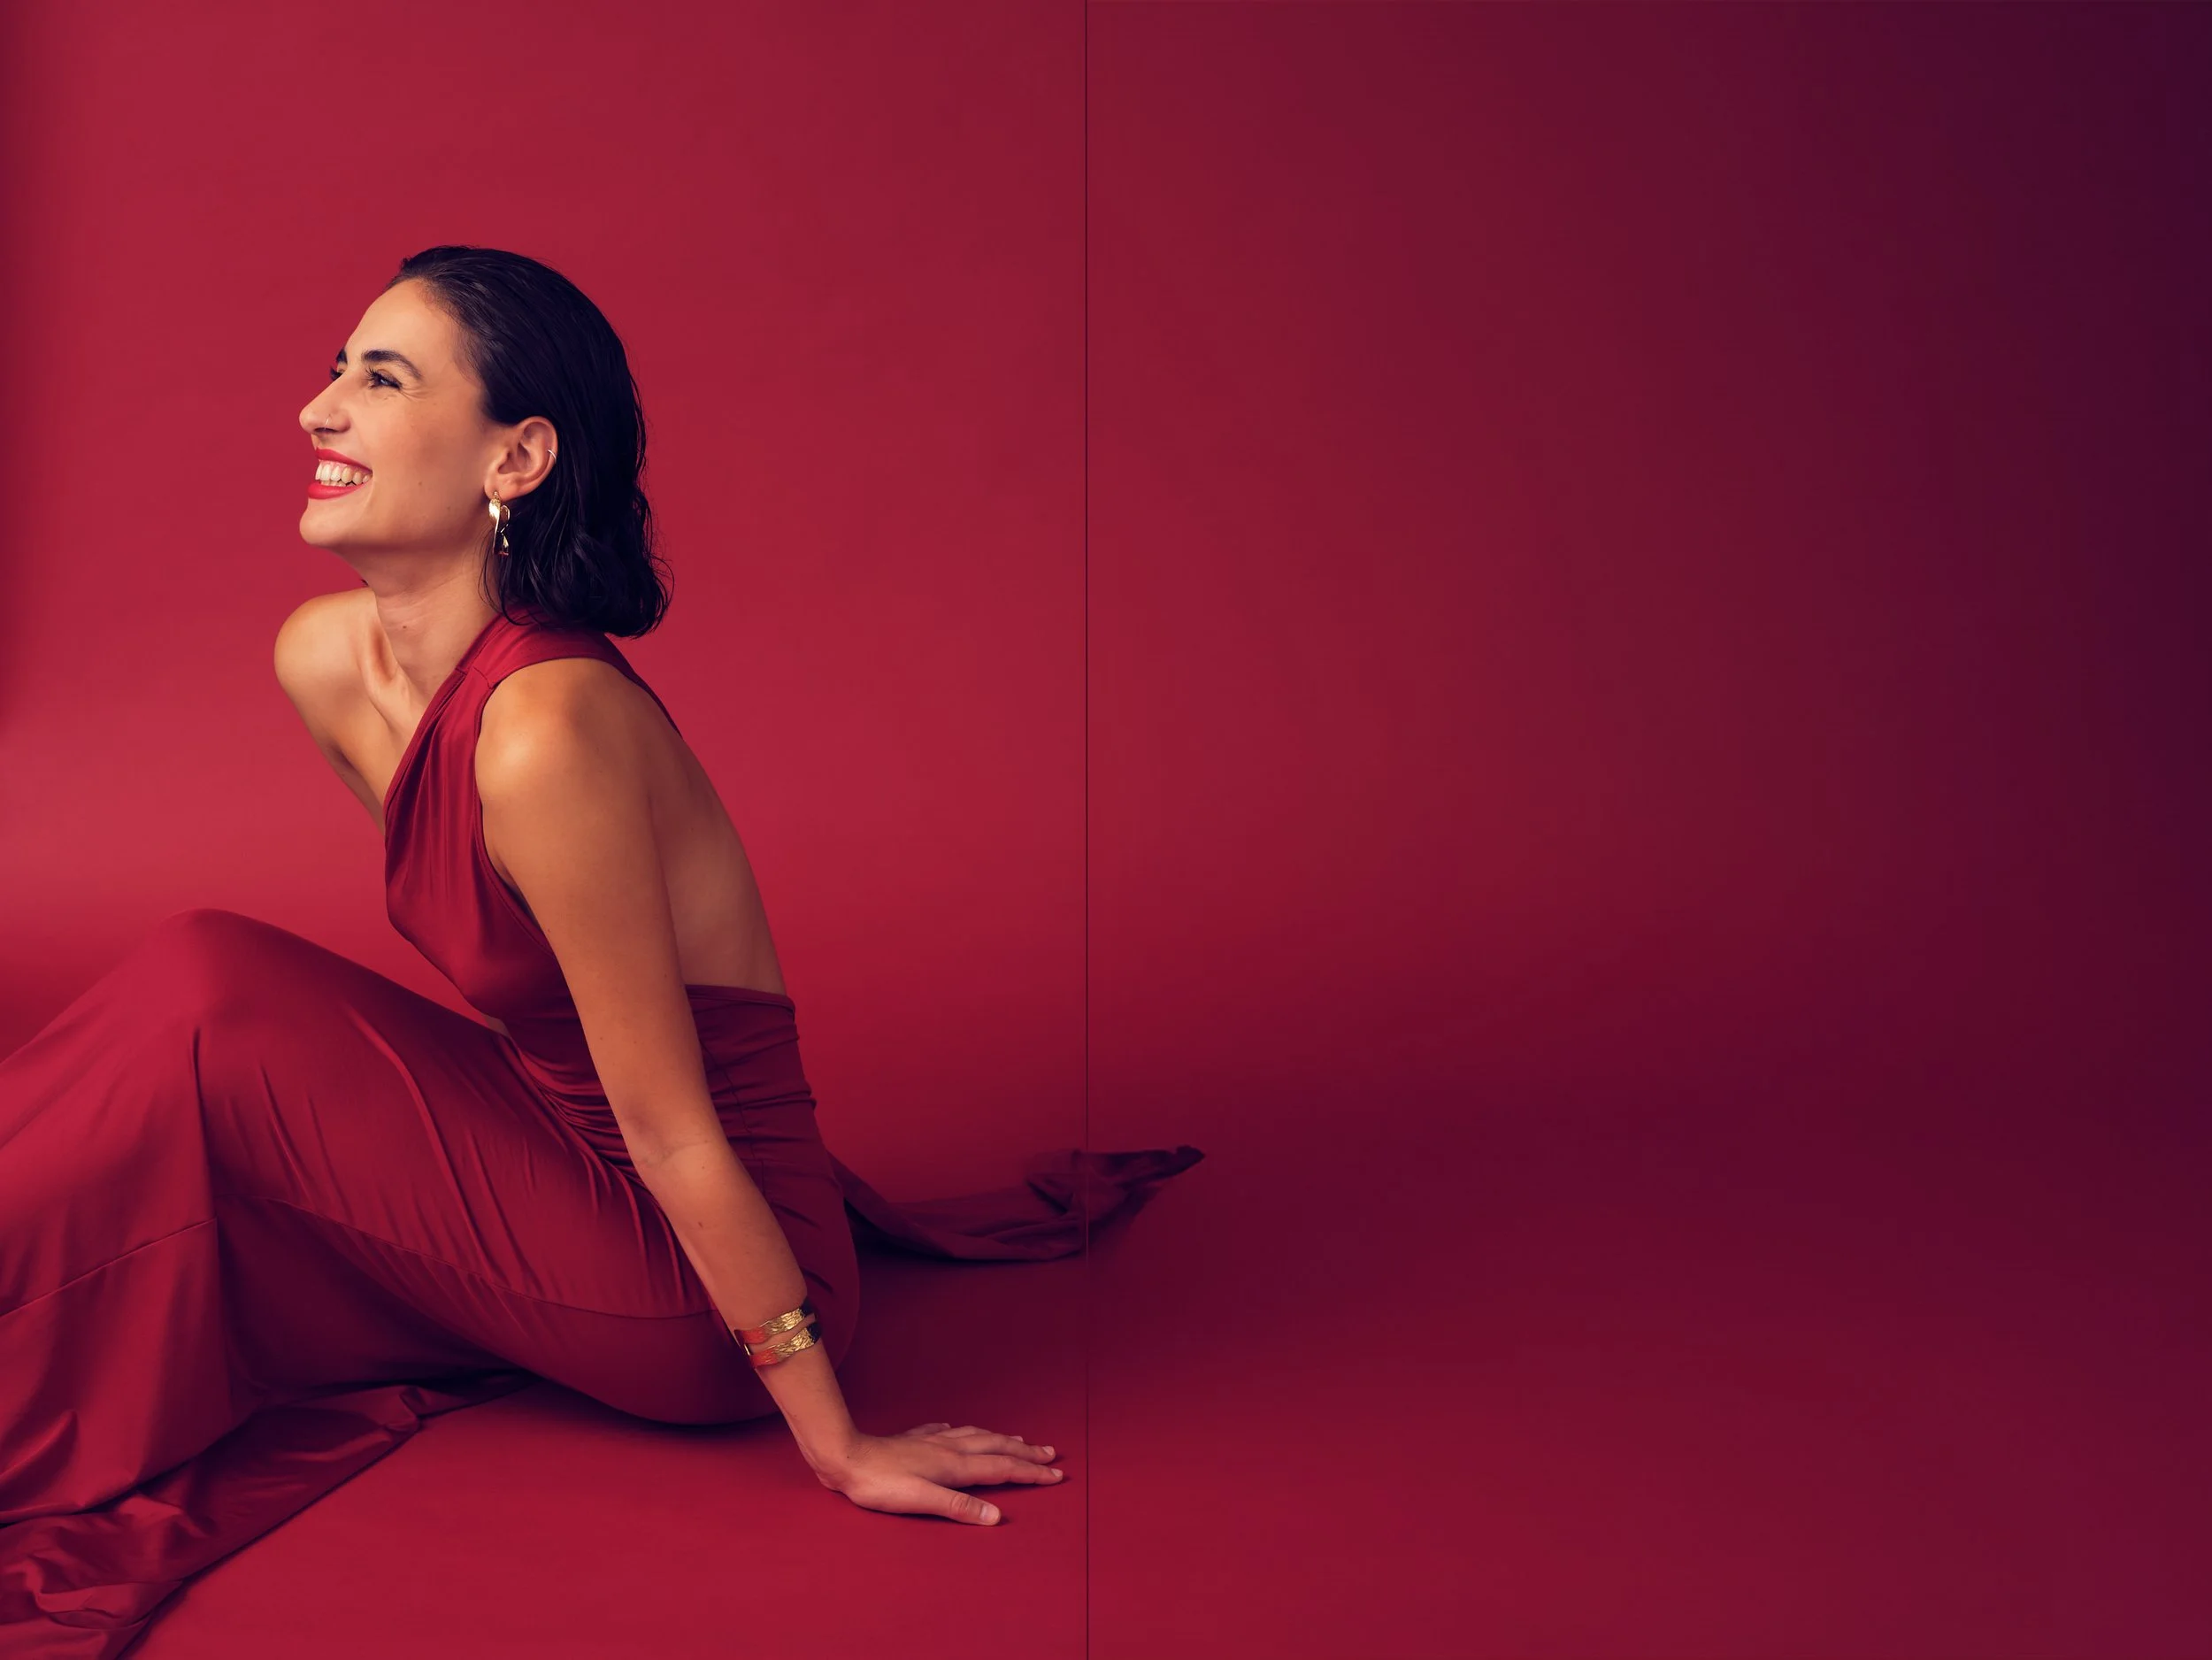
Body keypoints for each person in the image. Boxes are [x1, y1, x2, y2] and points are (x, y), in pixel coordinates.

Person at [0, 245, 1202, 1656]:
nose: (319, 410)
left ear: (516, 457)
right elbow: (502, 960)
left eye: (379, 380)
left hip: (690, 1279)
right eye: (335, 368)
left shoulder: (548, 731)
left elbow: (671, 1125)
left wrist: (837, 1438)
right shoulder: (326, 662)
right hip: (556, 1152)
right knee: (205, 998)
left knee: (210, 995)